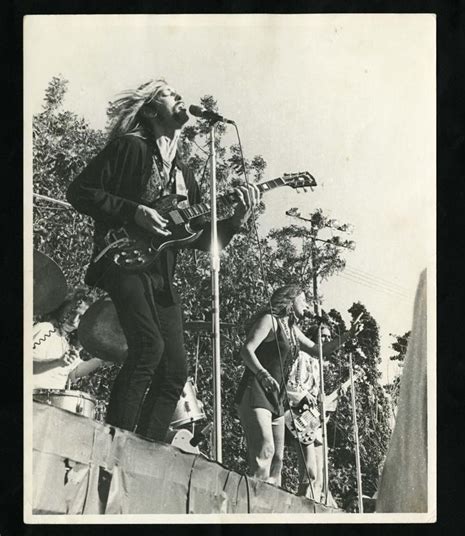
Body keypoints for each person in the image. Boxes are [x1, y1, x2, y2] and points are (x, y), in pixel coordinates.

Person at [66, 79, 260, 442]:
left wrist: (235, 220)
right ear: (152, 110)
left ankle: (149, 450)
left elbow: (202, 239)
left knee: (174, 369)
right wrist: (133, 211)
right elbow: (80, 191)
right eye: (170, 94)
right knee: (148, 347)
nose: (180, 97)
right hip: (120, 257)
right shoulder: (129, 148)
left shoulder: (185, 174)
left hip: (159, 272)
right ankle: (116, 441)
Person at [235, 284, 326, 486]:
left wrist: (347, 337)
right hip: (256, 391)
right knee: (265, 449)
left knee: (277, 461)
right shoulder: (270, 321)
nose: (307, 305)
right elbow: (246, 350)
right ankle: (252, 504)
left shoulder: (293, 330)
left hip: (277, 399)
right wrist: (263, 374)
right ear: (291, 300)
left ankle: (267, 509)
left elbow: (319, 350)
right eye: (303, 300)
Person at [285, 320, 363, 503]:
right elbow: (291, 385)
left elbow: (318, 404)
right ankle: (299, 511)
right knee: (309, 474)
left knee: (320, 477)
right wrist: (305, 396)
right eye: (323, 337)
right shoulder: (303, 357)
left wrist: (329, 402)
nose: (327, 340)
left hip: (314, 423)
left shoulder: (319, 365)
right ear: (312, 338)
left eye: (329, 337)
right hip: (299, 417)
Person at [33, 291, 105, 390]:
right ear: (62, 307)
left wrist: (101, 360)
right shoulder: (44, 329)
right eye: (72, 312)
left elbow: (75, 372)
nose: (74, 320)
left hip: (50, 402)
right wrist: (57, 362)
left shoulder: (65, 342)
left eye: (81, 317)